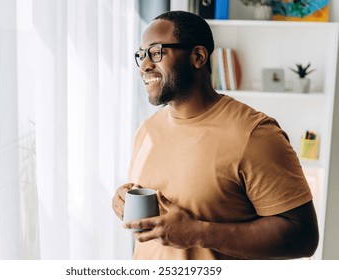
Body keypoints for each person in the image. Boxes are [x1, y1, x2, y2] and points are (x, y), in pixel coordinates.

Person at [112, 10, 319, 260]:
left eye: (156, 52)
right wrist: (123, 199)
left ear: (198, 56)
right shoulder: (146, 131)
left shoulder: (255, 135)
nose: (145, 66)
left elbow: (304, 238)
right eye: (141, 55)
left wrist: (198, 233)